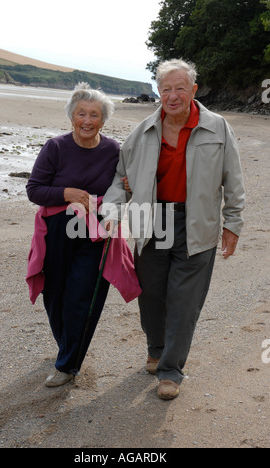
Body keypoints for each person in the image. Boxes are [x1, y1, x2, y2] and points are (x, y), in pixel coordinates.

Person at [101, 59, 245, 400]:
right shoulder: (142, 131)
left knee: (184, 299)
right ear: (158, 92)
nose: (173, 95)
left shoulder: (218, 127)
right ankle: (156, 347)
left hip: (198, 223)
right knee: (151, 294)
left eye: (181, 88)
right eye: (166, 88)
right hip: (152, 221)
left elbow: (234, 181)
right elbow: (121, 178)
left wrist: (233, 223)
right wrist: (112, 211)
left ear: (194, 90)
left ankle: (171, 370)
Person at [26, 83, 120, 388]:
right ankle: (68, 345)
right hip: (56, 231)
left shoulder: (114, 150)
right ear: (72, 117)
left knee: (82, 297)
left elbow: (123, 185)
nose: (88, 120)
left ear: (103, 120)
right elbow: (34, 190)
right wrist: (64, 193)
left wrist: (126, 188)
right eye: (82, 113)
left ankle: (67, 364)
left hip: (95, 233)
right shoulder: (55, 147)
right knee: (55, 296)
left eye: (95, 115)